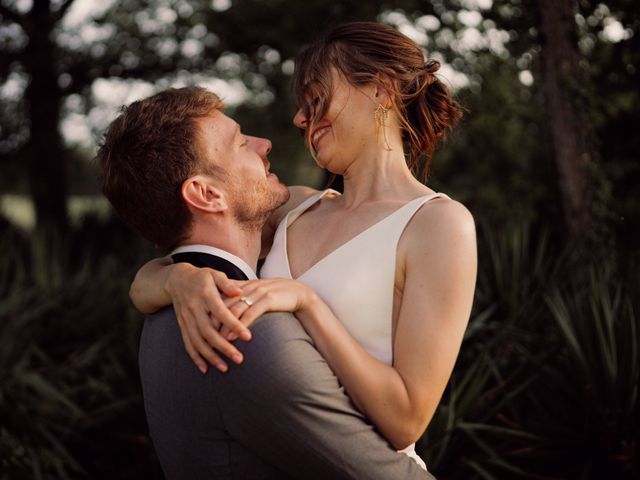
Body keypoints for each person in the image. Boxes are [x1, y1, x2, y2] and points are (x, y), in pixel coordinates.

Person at [131, 22, 477, 473]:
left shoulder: (438, 225)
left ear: (382, 91)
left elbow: (405, 419)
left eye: (315, 98)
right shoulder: (292, 207)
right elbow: (144, 284)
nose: (299, 118)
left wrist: (308, 303)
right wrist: (182, 280)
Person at [97, 85, 433, 479]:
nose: (264, 144)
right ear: (206, 194)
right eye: (241, 143)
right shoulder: (245, 330)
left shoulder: (170, 310)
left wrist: (175, 276)